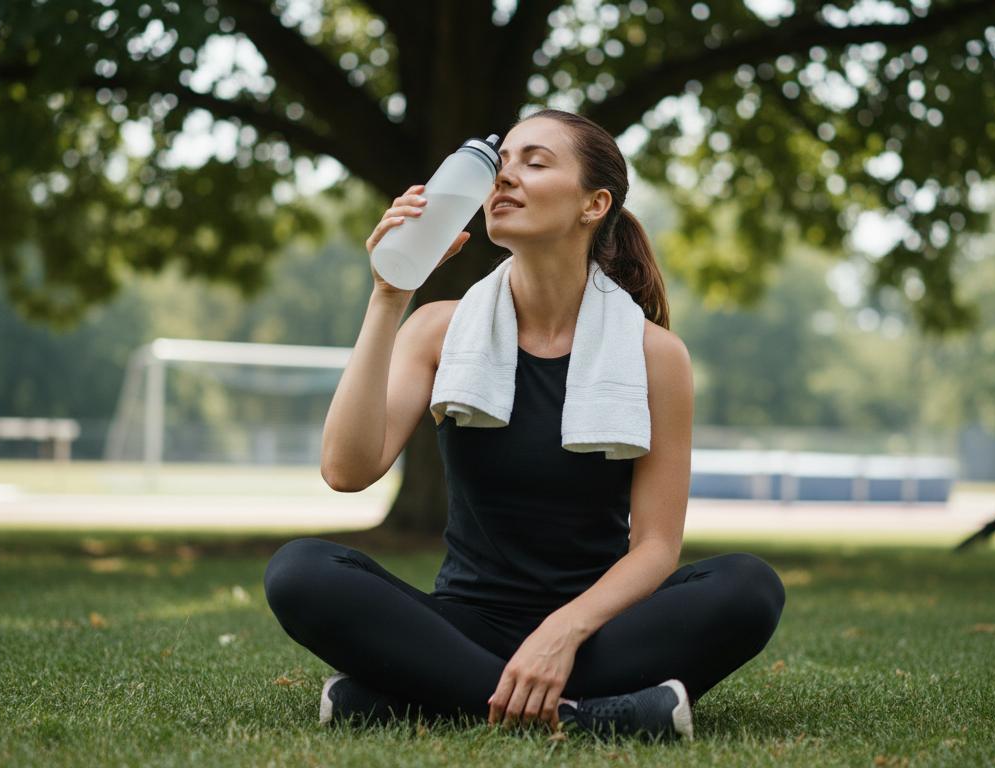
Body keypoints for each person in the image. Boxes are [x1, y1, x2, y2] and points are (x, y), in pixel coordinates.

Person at [263, 109, 785, 742]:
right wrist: (389, 296)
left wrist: (560, 634)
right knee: (301, 571)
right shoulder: (437, 329)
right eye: (501, 163)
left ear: (595, 204)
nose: (504, 177)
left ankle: (426, 695)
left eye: (534, 163)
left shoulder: (654, 356)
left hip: (596, 631)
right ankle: (583, 717)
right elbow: (346, 470)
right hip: (462, 622)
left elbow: (655, 546)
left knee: (749, 587)